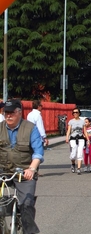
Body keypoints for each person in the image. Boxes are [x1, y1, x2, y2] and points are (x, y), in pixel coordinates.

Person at [0, 99, 43, 233]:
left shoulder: (30, 128)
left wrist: (31, 169)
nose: (8, 116)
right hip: (3, 171)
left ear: (19, 113)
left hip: (24, 173)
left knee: (26, 205)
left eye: (11, 113)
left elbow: (38, 153)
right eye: (6, 112)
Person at [66, 107, 87, 175]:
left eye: (76, 112)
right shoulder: (71, 121)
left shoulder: (82, 121)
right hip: (73, 138)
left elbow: (85, 131)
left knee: (80, 153)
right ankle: (73, 164)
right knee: (73, 154)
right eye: (74, 112)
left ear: (79, 113)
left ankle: (78, 168)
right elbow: (69, 130)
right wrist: (67, 137)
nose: (75, 113)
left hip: (81, 138)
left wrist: (88, 139)